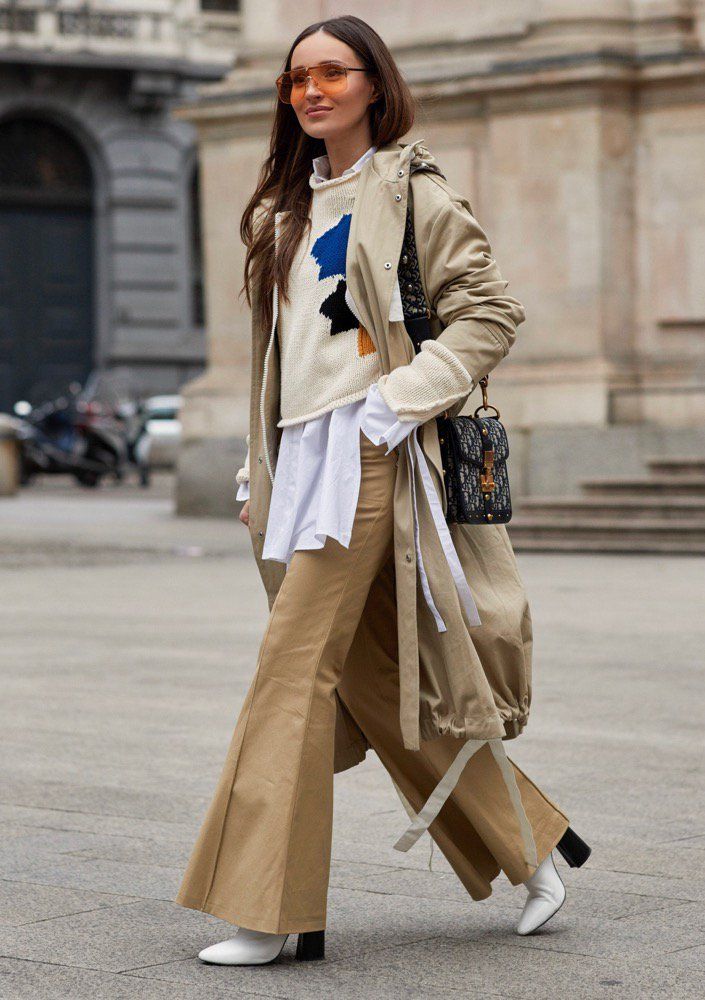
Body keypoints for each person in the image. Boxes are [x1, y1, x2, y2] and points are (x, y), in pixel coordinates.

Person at [175, 14, 590, 967]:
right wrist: (256, 466)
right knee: (369, 676)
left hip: (371, 456)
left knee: (289, 673)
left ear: (374, 83)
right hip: (297, 464)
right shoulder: (281, 211)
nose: (312, 90)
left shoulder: (414, 194)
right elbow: (286, 363)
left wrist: (392, 406)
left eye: (332, 72)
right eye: (295, 80)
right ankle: (532, 850)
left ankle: (269, 913)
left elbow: (489, 314)